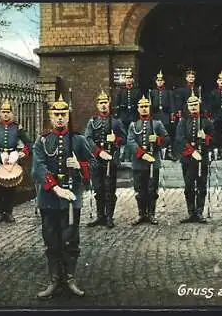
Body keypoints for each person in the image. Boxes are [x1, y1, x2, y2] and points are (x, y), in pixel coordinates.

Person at [32, 95, 93, 299]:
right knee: (51, 240)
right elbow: (38, 169)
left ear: (68, 116)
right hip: (49, 199)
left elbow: (93, 164)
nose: (59, 118)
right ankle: (54, 280)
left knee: (70, 240)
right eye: (56, 114)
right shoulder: (42, 141)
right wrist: (56, 188)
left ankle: (69, 278)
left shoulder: (78, 140)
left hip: (70, 200)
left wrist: (80, 166)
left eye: (63, 114)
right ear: (50, 116)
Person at [84, 90, 126, 228]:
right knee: (98, 188)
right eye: (100, 103)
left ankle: (109, 217)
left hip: (110, 161)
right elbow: (88, 139)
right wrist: (98, 152)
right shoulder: (92, 122)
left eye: (105, 103)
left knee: (109, 189)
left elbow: (124, 138)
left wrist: (116, 140)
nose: (103, 105)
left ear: (109, 104)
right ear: (97, 105)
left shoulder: (116, 122)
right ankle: (100, 216)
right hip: (96, 161)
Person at [127, 95, 170, 225]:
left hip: (153, 163)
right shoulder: (134, 125)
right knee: (140, 190)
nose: (144, 109)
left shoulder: (157, 124)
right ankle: (141, 214)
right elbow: (130, 141)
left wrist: (157, 139)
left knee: (152, 190)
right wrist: (141, 154)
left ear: (149, 108)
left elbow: (167, 139)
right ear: (138, 109)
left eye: (146, 107)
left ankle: (151, 214)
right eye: (142, 107)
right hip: (139, 163)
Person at [175, 91, 214, 224]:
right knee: (189, 186)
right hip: (188, 160)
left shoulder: (206, 122)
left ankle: (199, 212)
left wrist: (206, 138)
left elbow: (214, 139)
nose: (193, 107)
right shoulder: (183, 121)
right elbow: (179, 139)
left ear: (199, 105)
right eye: (190, 104)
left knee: (202, 186)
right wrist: (191, 151)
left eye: (195, 104)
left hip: (202, 159)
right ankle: (191, 212)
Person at [114, 68, 142, 161]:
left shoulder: (137, 91)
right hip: (123, 116)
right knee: (123, 136)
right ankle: (123, 155)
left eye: (130, 77)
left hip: (133, 116)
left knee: (132, 136)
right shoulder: (121, 91)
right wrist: (117, 117)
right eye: (127, 78)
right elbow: (117, 104)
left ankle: (131, 155)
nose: (128, 79)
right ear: (125, 79)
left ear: (133, 79)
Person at [149, 70, 176, 160]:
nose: (159, 82)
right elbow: (150, 106)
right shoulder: (152, 92)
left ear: (164, 81)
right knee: (156, 134)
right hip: (156, 116)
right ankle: (156, 152)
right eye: (158, 81)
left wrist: (172, 115)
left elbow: (172, 105)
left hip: (165, 116)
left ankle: (169, 152)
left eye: (161, 80)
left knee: (167, 134)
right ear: (156, 82)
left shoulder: (169, 92)